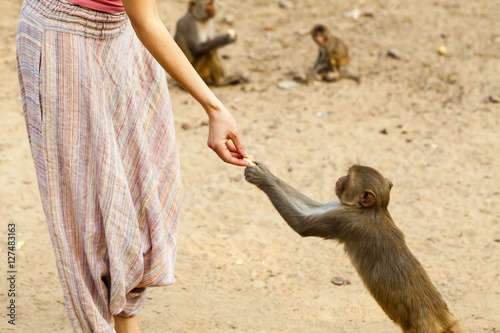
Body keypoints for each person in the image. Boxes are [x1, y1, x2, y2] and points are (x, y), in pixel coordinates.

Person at [16, 0, 249, 332]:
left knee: (141, 190)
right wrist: (214, 108)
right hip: (63, 35)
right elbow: (147, 20)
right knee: (89, 212)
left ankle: (125, 315)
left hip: (121, 32)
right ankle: (98, 321)